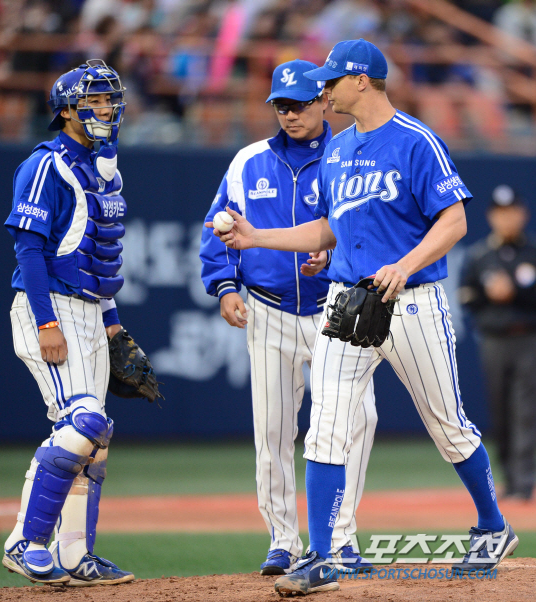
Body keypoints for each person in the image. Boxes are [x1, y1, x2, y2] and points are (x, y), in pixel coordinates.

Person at [209, 39, 518, 596]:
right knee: (325, 427)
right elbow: (328, 227)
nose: (323, 89)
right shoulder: (338, 149)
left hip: (412, 302)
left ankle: (493, 525)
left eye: (331, 80)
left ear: (362, 81)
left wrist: (405, 263)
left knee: (447, 424)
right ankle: (324, 555)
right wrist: (257, 238)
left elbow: (454, 221)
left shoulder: (415, 140)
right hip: (347, 303)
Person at [200, 59, 377, 575]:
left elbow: (366, 225)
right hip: (268, 309)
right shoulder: (248, 160)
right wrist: (224, 284)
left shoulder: (349, 155)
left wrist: (333, 250)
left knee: (358, 419)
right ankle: (283, 540)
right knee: (274, 430)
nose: (290, 114)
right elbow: (219, 225)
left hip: (335, 310)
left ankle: (341, 537)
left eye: (299, 104)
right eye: (281, 105)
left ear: (323, 101)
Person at [2, 60, 134, 586]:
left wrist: (113, 323)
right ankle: (25, 541)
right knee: (83, 423)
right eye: (93, 101)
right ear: (65, 111)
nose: (105, 108)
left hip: (91, 312)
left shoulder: (104, 169)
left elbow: (98, 260)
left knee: (95, 438)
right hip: (50, 308)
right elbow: (29, 250)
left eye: (109, 99)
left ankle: (77, 554)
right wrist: (46, 323)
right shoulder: (45, 164)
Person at [460, 184, 536, 500]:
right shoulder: (479, 256)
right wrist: (489, 295)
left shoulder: (532, 253)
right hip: (493, 340)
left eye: (512, 211)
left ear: (523, 214)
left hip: (528, 339)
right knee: (500, 410)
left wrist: (514, 292)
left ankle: (524, 482)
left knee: (526, 410)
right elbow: (466, 297)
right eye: (501, 213)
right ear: (492, 216)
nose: (507, 218)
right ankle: (509, 479)